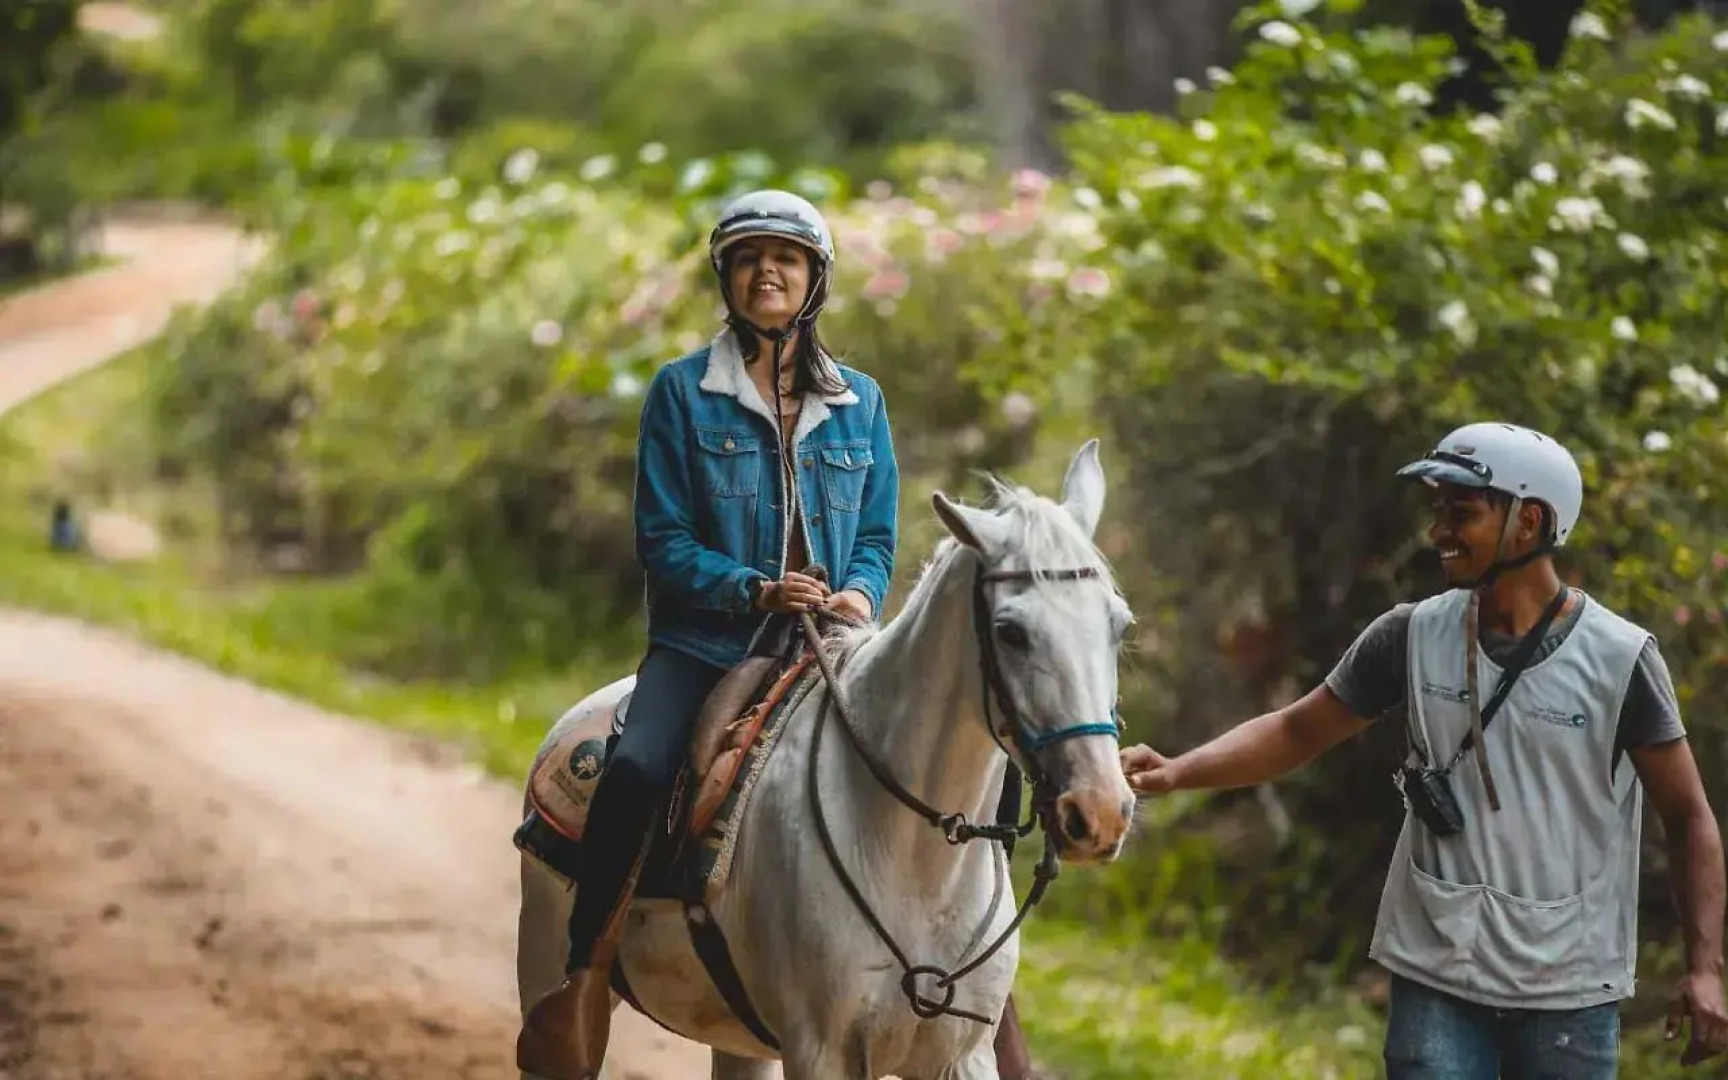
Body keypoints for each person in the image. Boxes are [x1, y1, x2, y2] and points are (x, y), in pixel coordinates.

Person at [514, 190, 1036, 1079]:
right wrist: (755, 587)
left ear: (814, 279)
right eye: (751, 257)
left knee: (948, 801)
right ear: (727, 275)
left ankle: (994, 1025)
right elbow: (662, 541)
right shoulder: (682, 393)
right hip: (706, 645)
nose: (769, 272)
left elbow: (876, 538)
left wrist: (859, 601)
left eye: (787, 259)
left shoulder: (859, 402)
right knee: (637, 767)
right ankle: (586, 973)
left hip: (832, 647)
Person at [1120, 422, 1728, 1078]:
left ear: (1529, 521)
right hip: (1438, 973)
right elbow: (1297, 732)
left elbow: (1689, 818)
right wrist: (1178, 772)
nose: (1438, 531)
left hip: (1570, 988)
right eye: (1437, 511)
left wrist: (1706, 969)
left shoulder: (1621, 659)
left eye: (1461, 512)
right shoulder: (1410, 635)